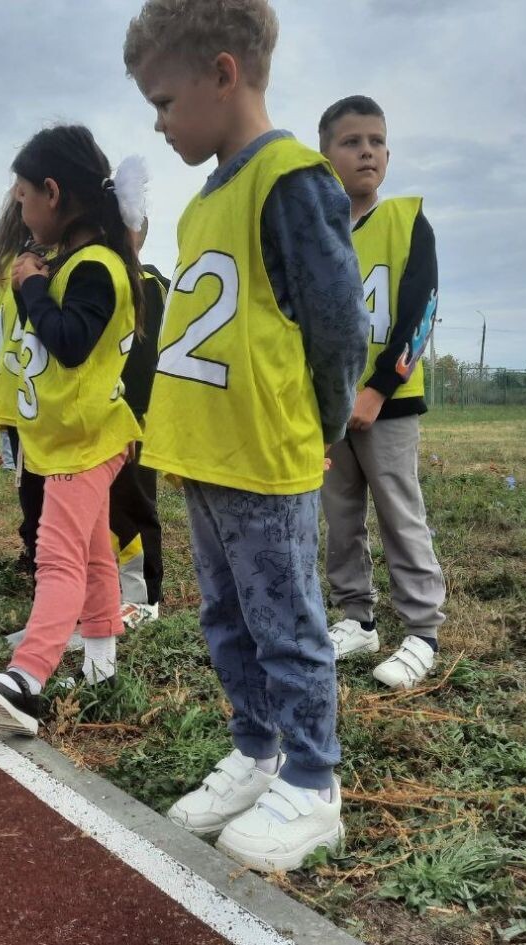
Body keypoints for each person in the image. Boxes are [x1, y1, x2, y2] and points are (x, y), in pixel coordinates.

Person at [123, 0, 370, 873]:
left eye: (164, 102)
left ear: (223, 74)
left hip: (265, 452)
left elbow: (339, 328)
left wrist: (321, 426)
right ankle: (257, 749)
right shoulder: (202, 203)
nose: (158, 124)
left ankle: (313, 779)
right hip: (204, 449)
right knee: (228, 616)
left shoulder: (292, 179)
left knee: (285, 620)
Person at [0, 124, 147, 736]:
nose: (21, 210)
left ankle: (26, 678)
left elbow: (68, 342)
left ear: (53, 192)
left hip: (82, 441)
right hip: (73, 436)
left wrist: (33, 286)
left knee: (57, 558)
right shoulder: (77, 262)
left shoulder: (94, 267)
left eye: (24, 197)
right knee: (92, 554)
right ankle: (101, 668)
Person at [317, 95, 447, 689]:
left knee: (399, 511)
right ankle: (357, 617)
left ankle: (422, 630)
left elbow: (422, 311)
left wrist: (377, 389)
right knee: (340, 514)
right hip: (328, 405)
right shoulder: (315, 234)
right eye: (351, 142)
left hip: (386, 403)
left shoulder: (406, 221)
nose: (366, 151)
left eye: (376, 141)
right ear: (326, 156)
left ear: (388, 156)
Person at [0, 189, 43, 574]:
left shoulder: (46, 265)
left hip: (46, 402)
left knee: (51, 497)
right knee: (31, 494)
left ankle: (47, 564)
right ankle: (35, 554)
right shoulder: (8, 276)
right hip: (17, 405)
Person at [109, 218, 168, 626]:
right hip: (90, 419)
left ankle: (143, 596)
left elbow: (148, 358)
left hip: (133, 417)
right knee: (101, 507)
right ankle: (104, 587)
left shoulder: (151, 285)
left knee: (132, 502)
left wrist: (133, 414)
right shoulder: (89, 276)